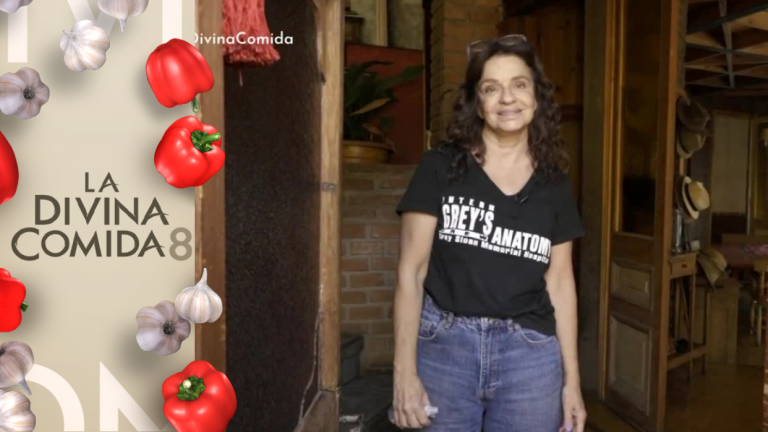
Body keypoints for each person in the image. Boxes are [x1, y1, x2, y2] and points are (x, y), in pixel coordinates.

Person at [391, 34, 587, 432]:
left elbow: (561, 282)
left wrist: (573, 383)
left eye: (519, 84)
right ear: (477, 103)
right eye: (491, 88)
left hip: (530, 356)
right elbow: (410, 274)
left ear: (536, 97)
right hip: (445, 348)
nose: (507, 99)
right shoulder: (440, 167)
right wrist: (403, 373)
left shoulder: (554, 184)